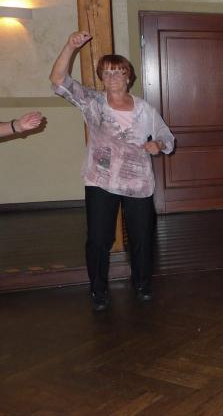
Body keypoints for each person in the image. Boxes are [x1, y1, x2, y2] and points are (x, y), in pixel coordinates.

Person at [50, 31, 174, 312]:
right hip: (101, 179)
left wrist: (158, 144)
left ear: (128, 77)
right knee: (98, 238)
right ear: (102, 78)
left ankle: (142, 284)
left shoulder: (144, 109)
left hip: (138, 182)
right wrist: (70, 46)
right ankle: (98, 289)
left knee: (142, 236)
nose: (113, 77)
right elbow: (58, 80)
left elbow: (167, 136)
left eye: (119, 72)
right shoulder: (92, 102)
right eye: (107, 73)